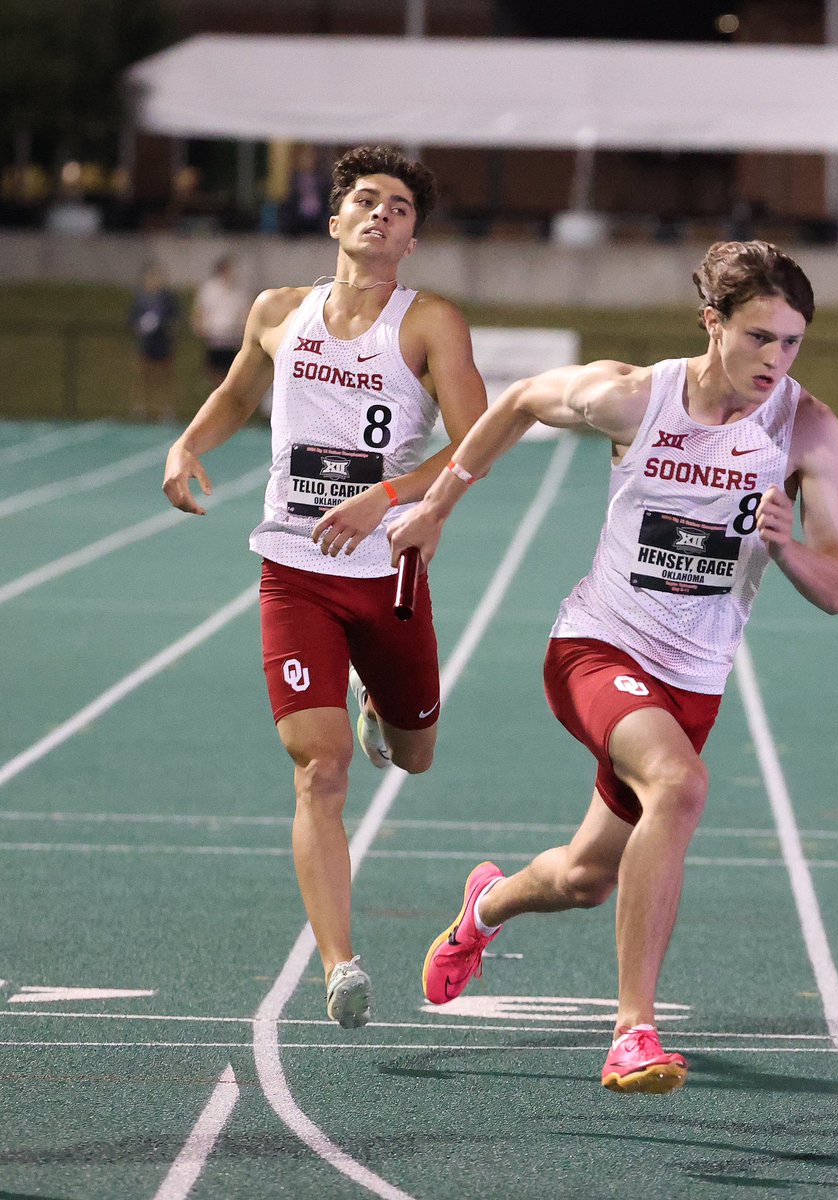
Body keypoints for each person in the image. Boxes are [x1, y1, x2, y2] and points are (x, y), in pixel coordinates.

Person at [386, 240, 838, 1093]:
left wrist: (787, 550)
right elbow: (523, 400)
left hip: (694, 685)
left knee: (584, 878)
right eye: (758, 337)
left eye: (791, 342)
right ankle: (634, 1030)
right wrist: (436, 506)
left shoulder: (806, 428)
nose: (774, 360)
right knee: (679, 786)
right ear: (712, 323)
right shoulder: (636, 396)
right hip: (598, 648)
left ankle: (483, 907)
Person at [161, 145, 487, 1029]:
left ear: (412, 239)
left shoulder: (430, 325)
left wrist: (384, 497)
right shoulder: (277, 311)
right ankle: (342, 964)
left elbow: (475, 444)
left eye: (402, 209)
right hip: (295, 574)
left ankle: (383, 707)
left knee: (413, 758)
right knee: (320, 770)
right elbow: (236, 395)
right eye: (368, 201)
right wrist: (189, 442)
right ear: (336, 219)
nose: (383, 214)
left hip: (388, 575)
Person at [191, 255, 252, 389]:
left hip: (233, 339)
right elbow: (200, 311)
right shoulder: (209, 289)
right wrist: (199, 328)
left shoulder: (240, 291)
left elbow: (246, 312)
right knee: (215, 372)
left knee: (231, 374)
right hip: (214, 338)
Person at [130, 261, 179, 420]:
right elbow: (132, 319)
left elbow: (175, 318)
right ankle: (141, 407)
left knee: (164, 376)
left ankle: (166, 408)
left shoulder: (167, 298)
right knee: (144, 375)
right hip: (146, 342)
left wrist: (169, 327)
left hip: (162, 341)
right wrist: (140, 326)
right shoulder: (141, 298)